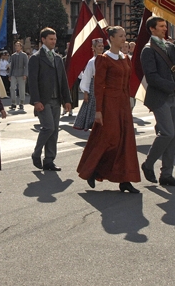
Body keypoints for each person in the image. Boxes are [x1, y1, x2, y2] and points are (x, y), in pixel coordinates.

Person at [76, 26, 140, 193]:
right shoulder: (103, 59)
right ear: (111, 39)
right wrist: (98, 111)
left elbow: (128, 84)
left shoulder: (126, 58)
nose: (123, 39)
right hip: (109, 104)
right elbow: (98, 86)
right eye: (120, 36)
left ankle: (125, 179)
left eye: (125, 35)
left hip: (124, 104)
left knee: (125, 140)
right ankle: (93, 169)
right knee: (110, 139)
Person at [140, 17, 175, 186]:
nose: (165, 29)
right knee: (167, 133)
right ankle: (148, 164)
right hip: (160, 97)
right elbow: (152, 77)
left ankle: (167, 174)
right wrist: (174, 86)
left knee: (174, 137)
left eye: (165, 25)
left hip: (173, 96)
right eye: (161, 26)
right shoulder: (148, 50)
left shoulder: (169, 46)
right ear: (152, 29)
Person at [29, 28, 72, 171]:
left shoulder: (58, 58)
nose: (53, 41)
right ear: (43, 40)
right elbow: (33, 82)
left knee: (54, 132)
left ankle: (49, 160)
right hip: (43, 100)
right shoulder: (35, 58)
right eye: (50, 39)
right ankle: (36, 153)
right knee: (49, 127)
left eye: (54, 39)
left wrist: (67, 100)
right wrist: (36, 101)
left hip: (56, 99)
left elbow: (63, 81)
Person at [74, 38, 105, 131]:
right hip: (94, 86)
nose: (101, 48)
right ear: (94, 48)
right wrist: (86, 92)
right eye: (99, 46)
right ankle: (93, 126)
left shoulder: (106, 59)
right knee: (93, 108)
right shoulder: (92, 61)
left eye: (102, 46)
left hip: (104, 86)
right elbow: (87, 77)